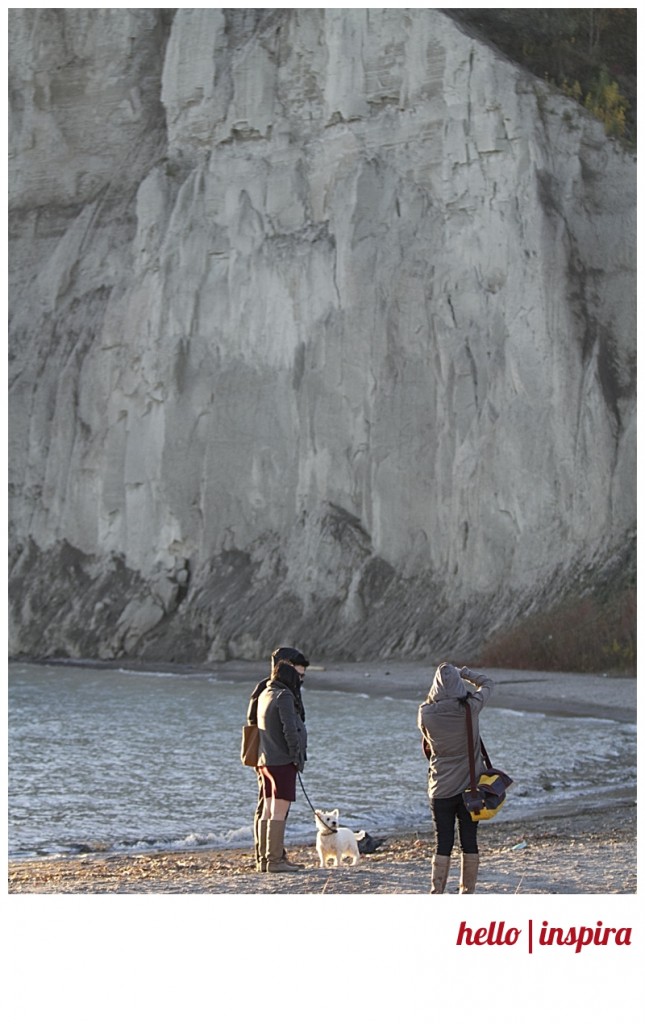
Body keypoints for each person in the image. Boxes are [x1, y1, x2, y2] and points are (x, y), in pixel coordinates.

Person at [417, 662, 495, 894]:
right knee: (469, 840)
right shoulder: (471, 707)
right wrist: (465, 673)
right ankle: (466, 892)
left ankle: (437, 891)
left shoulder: (425, 713)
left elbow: (428, 743)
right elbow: (488, 683)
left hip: (440, 788)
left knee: (443, 842)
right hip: (470, 788)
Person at [245, 646, 309, 872]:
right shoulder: (284, 696)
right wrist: (296, 756)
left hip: (266, 760)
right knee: (278, 812)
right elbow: (290, 730)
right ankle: (274, 860)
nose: (301, 681)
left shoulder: (265, 693)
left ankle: (264, 859)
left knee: (268, 810)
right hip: (281, 762)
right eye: (299, 676)